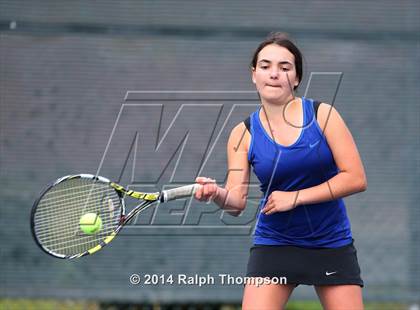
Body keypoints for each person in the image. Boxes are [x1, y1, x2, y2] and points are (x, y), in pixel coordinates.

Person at [194, 32, 367, 310]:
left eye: (284, 67)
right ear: (254, 75)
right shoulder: (242, 134)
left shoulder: (324, 115)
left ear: (296, 78)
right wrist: (216, 193)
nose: (274, 74)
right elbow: (236, 203)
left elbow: (356, 178)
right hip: (275, 242)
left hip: (330, 241)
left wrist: (295, 197)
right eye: (265, 66)